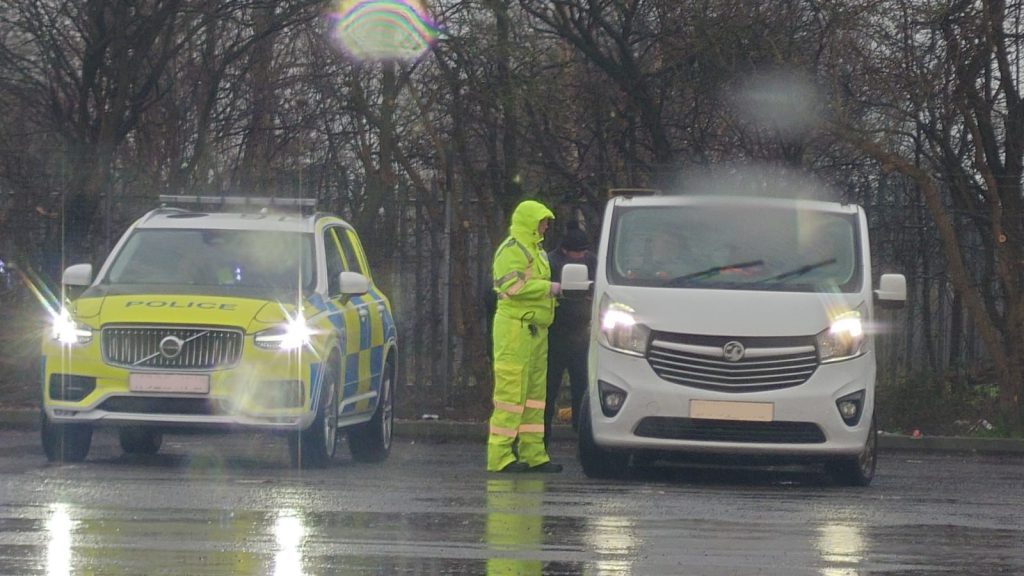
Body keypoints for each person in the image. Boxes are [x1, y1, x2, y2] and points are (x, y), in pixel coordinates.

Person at [487, 199, 563, 473]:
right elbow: (509, 286)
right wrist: (549, 288)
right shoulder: (512, 249)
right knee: (510, 394)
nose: (545, 226)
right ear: (531, 221)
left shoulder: (536, 250)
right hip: (515, 331)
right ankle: (500, 456)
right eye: (543, 221)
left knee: (534, 396)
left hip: (535, 330)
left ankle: (534, 454)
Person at [544, 226, 596, 448]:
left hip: (582, 333)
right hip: (555, 334)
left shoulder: (590, 261)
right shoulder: (550, 263)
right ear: (565, 250)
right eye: (578, 252)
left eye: (584, 251)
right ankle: (542, 435)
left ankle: (582, 432)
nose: (582, 256)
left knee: (582, 387)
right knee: (548, 389)